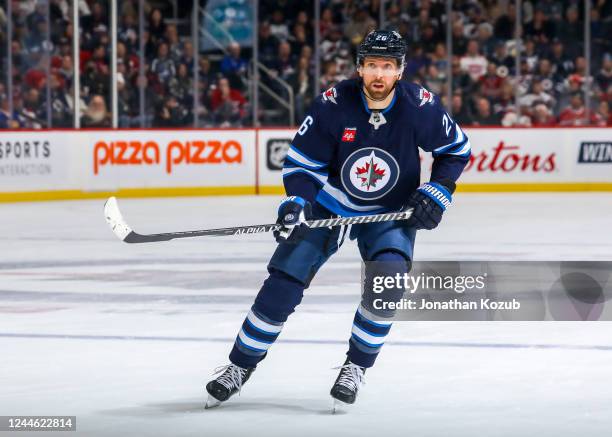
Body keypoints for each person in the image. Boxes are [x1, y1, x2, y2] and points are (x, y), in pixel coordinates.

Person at [205, 30, 471, 410]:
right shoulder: (332, 104)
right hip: (331, 207)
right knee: (283, 284)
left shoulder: (421, 107)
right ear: (359, 67)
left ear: (400, 71)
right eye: (372, 66)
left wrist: (440, 188)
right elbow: (301, 166)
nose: (379, 75)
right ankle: (239, 367)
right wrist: (297, 202)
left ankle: (355, 367)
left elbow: (456, 150)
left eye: (388, 67)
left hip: (389, 212)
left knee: (388, 284)